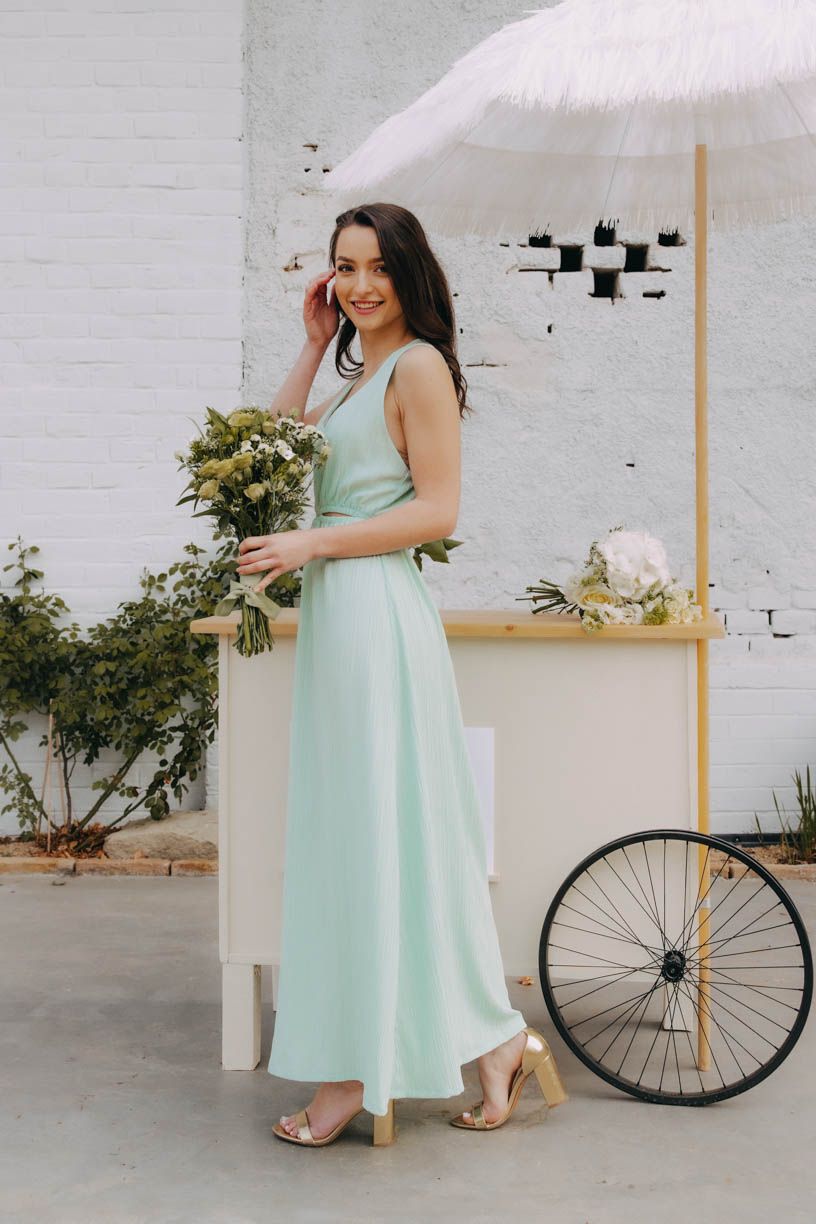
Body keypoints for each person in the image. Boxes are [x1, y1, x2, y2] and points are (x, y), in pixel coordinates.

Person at [236, 202, 568, 1147]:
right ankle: (478, 1042)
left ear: (409, 272)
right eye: (345, 267)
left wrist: (312, 542)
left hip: (377, 613)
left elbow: (437, 510)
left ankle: (360, 1071)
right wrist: (312, 346)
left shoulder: (418, 366)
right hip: (344, 616)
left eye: (377, 266)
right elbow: (271, 452)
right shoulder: (357, 377)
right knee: (356, 836)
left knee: (372, 834)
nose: (359, 285)